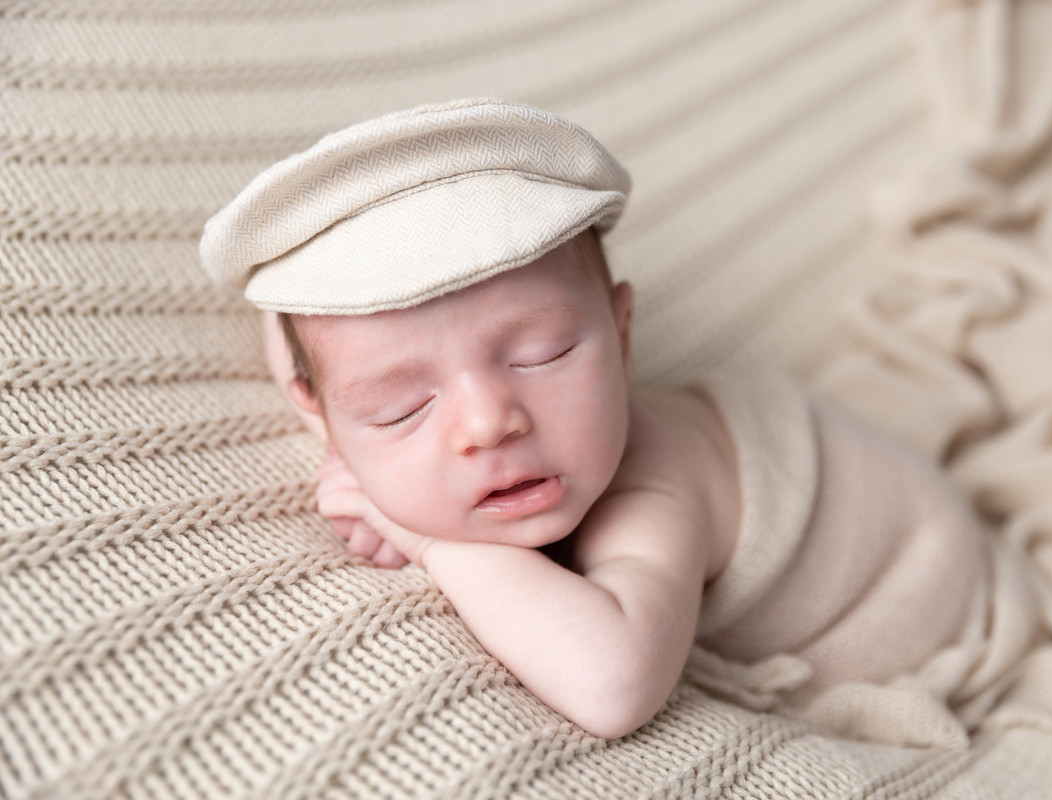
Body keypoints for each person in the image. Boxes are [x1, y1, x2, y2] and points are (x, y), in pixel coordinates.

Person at [201, 98, 989, 742]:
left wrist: (429, 536)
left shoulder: (655, 491)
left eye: (542, 355)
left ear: (621, 333)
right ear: (322, 411)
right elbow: (297, 345)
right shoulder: (366, 405)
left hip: (916, 565)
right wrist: (360, 441)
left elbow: (614, 684)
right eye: (400, 407)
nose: (487, 423)